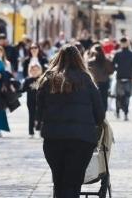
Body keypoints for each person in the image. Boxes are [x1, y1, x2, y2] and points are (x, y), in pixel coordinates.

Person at [38, 44, 104, 198]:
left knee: (59, 181)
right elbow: (100, 114)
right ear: (79, 59)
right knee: (73, 182)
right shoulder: (86, 80)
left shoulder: (48, 79)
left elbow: (39, 113)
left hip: (53, 138)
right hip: (81, 139)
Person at [112, 37, 132, 121]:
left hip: (121, 77)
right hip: (127, 77)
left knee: (119, 96)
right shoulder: (131, 54)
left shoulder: (118, 53)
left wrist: (117, 70)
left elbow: (113, 65)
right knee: (126, 96)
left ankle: (119, 112)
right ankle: (124, 114)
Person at [86, 44, 114, 111]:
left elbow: (87, 72)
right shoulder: (107, 61)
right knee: (104, 98)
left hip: (94, 82)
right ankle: (103, 114)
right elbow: (111, 71)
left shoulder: (90, 62)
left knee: (94, 98)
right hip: (104, 81)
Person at [22, 63, 43, 137]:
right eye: (33, 70)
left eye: (36, 70)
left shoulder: (42, 79)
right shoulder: (28, 80)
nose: (35, 71)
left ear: (40, 71)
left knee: (40, 115)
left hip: (40, 101)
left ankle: (40, 129)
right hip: (30, 101)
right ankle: (31, 132)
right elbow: (23, 89)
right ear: (30, 71)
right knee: (31, 115)